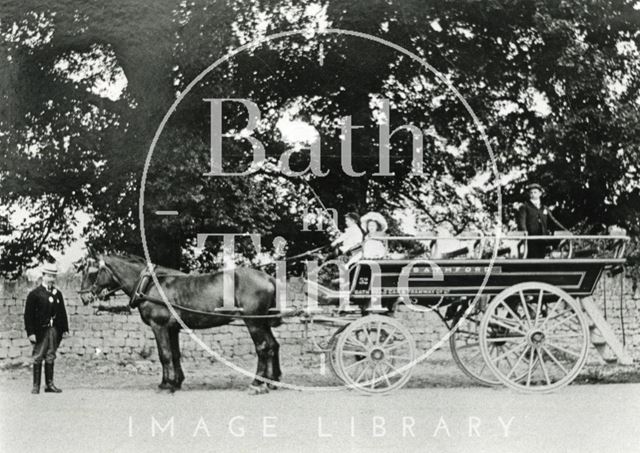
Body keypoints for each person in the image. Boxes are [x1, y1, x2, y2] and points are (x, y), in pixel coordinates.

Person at [24, 263, 69, 394]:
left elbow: (62, 312)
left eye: (53, 276)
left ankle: (49, 384)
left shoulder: (57, 294)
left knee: (51, 355)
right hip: (40, 330)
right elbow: (28, 315)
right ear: (43, 276)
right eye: (49, 276)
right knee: (38, 355)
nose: (51, 279)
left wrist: (64, 328)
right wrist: (30, 332)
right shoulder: (35, 294)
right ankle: (36, 385)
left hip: (54, 330)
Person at [517, 183, 565, 258]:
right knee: (532, 260)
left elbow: (553, 221)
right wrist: (524, 233)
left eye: (535, 192)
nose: (533, 194)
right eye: (531, 192)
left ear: (540, 193)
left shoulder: (544, 208)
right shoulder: (525, 207)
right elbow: (521, 222)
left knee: (543, 259)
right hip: (531, 239)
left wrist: (565, 230)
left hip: (543, 238)